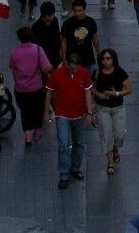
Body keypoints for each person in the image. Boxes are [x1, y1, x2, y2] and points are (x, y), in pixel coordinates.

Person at [44, 53, 94, 189]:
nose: (75, 71)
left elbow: (88, 92)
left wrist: (89, 112)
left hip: (80, 115)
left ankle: (75, 168)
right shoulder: (56, 75)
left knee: (79, 143)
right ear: (67, 65)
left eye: (76, 69)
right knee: (63, 145)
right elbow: (49, 92)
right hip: (62, 115)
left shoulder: (83, 73)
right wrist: (46, 112)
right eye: (72, 69)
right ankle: (64, 175)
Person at [8, 26, 51, 146]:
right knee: (38, 109)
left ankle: (27, 134)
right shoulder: (38, 50)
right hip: (36, 88)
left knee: (25, 111)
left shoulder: (15, 53)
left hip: (21, 89)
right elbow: (45, 68)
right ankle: (37, 130)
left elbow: (13, 70)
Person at [93, 48, 131, 175]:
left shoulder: (120, 72)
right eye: (103, 59)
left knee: (120, 134)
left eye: (108, 58)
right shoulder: (97, 73)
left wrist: (116, 93)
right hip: (102, 108)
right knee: (106, 135)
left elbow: (128, 89)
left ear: (113, 59)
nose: (105, 61)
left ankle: (115, 149)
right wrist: (99, 95)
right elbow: (91, 88)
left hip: (118, 108)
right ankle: (110, 161)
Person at [61, 0, 101, 76]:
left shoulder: (91, 21)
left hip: (88, 58)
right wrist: (64, 60)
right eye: (75, 11)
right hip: (73, 60)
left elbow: (95, 39)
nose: (77, 13)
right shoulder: (67, 24)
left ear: (84, 10)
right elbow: (63, 42)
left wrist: (100, 52)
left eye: (80, 11)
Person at [32, 1, 62, 68]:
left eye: (53, 14)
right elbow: (37, 46)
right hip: (45, 55)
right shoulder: (36, 27)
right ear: (44, 15)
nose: (52, 17)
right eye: (49, 15)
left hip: (55, 54)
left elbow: (57, 36)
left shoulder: (55, 20)